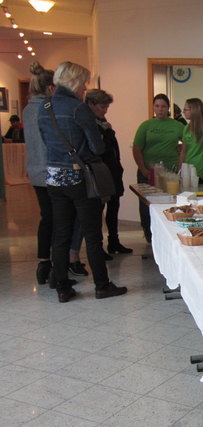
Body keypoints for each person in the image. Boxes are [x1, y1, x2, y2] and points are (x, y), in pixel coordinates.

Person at [38, 61, 127, 302]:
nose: (84, 88)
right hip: (79, 177)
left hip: (54, 178)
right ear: (76, 82)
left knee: (61, 233)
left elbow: (46, 141)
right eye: (84, 83)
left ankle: (62, 287)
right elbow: (96, 147)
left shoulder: (44, 107)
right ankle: (102, 285)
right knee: (92, 233)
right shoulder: (79, 109)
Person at [23, 61, 81, 288]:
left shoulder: (28, 109)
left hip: (35, 171)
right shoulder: (48, 108)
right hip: (54, 170)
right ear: (51, 88)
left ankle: (44, 263)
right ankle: (59, 270)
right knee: (62, 221)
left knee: (47, 218)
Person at [85, 88, 132, 256]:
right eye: (102, 106)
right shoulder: (89, 124)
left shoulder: (104, 123)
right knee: (98, 211)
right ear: (91, 104)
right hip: (99, 172)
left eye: (107, 107)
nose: (105, 110)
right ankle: (98, 247)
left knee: (114, 207)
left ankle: (114, 241)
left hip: (112, 171)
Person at [132, 93, 183, 242]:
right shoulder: (146, 125)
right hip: (147, 172)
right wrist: (142, 168)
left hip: (169, 173)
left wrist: (180, 150)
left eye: (163, 106)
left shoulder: (177, 126)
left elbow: (187, 145)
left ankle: (166, 235)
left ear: (168, 108)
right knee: (146, 205)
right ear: (154, 107)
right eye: (157, 106)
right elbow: (137, 148)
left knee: (168, 203)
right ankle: (148, 234)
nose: (160, 109)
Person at [179, 98, 203, 184]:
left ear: (194, 110)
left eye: (185, 109)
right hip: (186, 171)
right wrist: (180, 170)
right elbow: (183, 152)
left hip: (199, 172)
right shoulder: (186, 128)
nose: (183, 112)